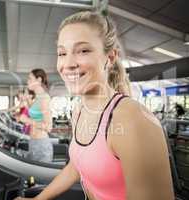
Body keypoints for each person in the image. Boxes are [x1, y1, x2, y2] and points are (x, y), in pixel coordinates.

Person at [15, 11, 173, 200]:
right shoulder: (79, 111)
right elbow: (76, 166)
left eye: (83, 50)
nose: (68, 63)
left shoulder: (133, 119)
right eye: (62, 53)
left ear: (110, 57)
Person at [17, 69, 53, 163]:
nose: (27, 81)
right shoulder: (37, 98)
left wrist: (27, 120)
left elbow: (48, 127)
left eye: (30, 78)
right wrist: (27, 106)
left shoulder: (44, 98)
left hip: (41, 145)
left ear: (39, 80)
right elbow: (36, 115)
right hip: (33, 142)